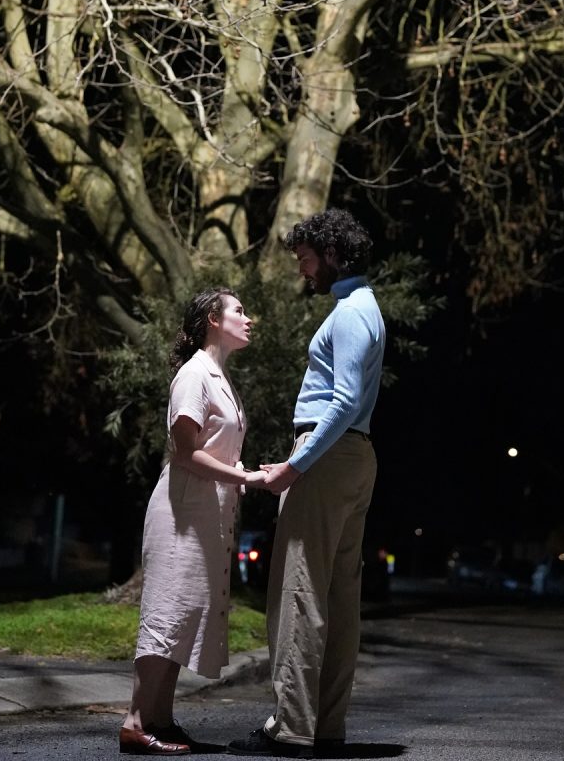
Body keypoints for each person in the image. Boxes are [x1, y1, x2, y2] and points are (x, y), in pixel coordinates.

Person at [229, 209, 386, 759]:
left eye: (306, 260)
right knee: (340, 596)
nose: (303, 272)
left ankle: (290, 728)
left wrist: (294, 467)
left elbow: (341, 402)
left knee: (298, 590)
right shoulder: (365, 307)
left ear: (333, 254)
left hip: (325, 458)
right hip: (355, 458)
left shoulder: (348, 314)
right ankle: (326, 727)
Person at [120, 288, 267, 756]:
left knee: (184, 615)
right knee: (166, 611)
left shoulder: (219, 376)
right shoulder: (194, 374)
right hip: (182, 511)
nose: (248, 318)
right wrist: (248, 476)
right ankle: (136, 721)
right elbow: (186, 452)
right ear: (211, 319)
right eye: (238, 311)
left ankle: (161, 719)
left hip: (209, 511)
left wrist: (241, 478)